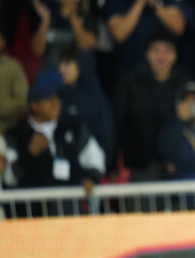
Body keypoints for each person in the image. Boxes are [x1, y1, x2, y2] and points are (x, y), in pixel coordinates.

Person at [2, 71, 105, 214]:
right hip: (31, 215)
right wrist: (29, 155)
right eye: (49, 98)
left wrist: (91, 177)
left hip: (70, 211)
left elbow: (94, 157)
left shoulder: (72, 126)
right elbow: (8, 178)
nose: (56, 103)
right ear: (34, 105)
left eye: (57, 97)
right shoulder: (16, 135)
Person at [114, 32, 189, 182]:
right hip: (140, 165)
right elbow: (117, 121)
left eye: (167, 50)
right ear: (147, 54)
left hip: (178, 165)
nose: (161, 56)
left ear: (175, 55)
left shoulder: (186, 86)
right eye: (155, 50)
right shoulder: (131, 82)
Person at [105, 0, 186, 75]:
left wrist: (155, 5)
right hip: (130, 72)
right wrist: (140, 1)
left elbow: (179, 28)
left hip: (165, 73)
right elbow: (119, 34)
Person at [58, 46, 115, 172]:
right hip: (60, 175)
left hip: (89, 177)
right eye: (61, 63)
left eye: (67, 63)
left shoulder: (98, 102)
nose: (61, 69)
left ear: (81, 65)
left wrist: (95, 171)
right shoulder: (57, 99)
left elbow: (106, 141)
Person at [30, 0, 98, 68]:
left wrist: (74, 20)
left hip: (79, 77)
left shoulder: (87, 19)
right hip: (51, 74)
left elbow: (86, 46)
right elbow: (37, 51)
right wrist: (45, 21)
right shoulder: (49, 17)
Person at [0, 34, 28, 134]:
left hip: (5, 132)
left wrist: (2, 107)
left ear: (2, 42)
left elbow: (22, 100)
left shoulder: (12, 67)